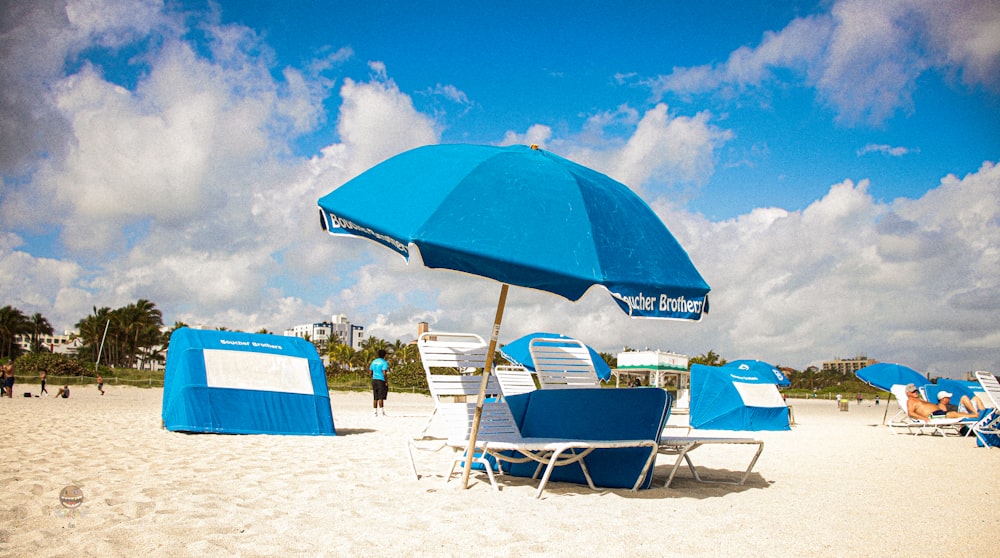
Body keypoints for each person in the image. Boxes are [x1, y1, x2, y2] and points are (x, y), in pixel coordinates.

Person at [904, 384, 969, 422]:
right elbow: (911, 413)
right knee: (953, 414)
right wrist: (923, 418)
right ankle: (974, 416)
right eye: (913, 391)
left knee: (956, 413)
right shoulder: (910, 401)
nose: (915, 392)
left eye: (916, 391)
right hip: (932, 415)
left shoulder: (919, 399)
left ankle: (973, 416)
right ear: (908, 393)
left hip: (938, 412)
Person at [369, 349, 389, 416]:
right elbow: (384, 373)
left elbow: (370, 372)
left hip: (374, 379)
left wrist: (374, 376)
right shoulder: (384, 362)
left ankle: (374, 412)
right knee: (381, 397)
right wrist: (386, 381)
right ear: (384, 355)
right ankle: (382, 412)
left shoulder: (374, 361)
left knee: (375, 397)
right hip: (381, 380)